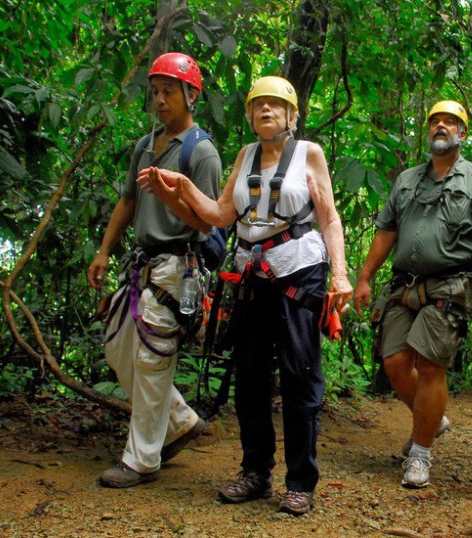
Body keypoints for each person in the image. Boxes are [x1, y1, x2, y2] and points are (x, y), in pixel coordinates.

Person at [137, 76, 353, 515]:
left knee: (299, 375)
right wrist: (179, 189)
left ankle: (300, 481)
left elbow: (328, 218)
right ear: (250, 116)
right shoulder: (245, 155)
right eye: (258, 105)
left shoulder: (309, 153)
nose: (266, 111)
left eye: (276, 105)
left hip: (299, 273)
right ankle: (255, 472)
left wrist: (341, 275)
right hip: (252, 276)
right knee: (250, 377)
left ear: (292, 115)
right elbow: (219, 214)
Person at [353, 100, 472, 489]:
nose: (441, 126)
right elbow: (387, 231)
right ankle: (433, 418)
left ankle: (420, 454)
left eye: (450, 122)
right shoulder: (407, 180)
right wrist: (364, 276)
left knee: (429, 366)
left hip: (450, 284)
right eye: (435, 121)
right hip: (404, 285)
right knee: (395, 362)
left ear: (463, 133)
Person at [87, 52, 221, 488]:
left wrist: (171, 198)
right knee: (117, 347)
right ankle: (180, 421)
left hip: (178, 266)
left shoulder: (201, 152)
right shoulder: (146, 145)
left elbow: (209, 221)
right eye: (156, 91)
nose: (160, 100)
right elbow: (128, 199)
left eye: (169, 91)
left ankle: (142, 459)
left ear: (191, 95)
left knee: (151, 358)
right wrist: (104, 251)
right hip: (142, 263)